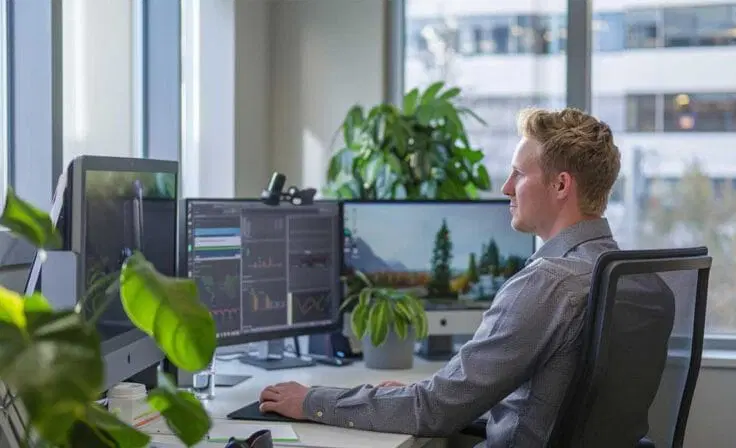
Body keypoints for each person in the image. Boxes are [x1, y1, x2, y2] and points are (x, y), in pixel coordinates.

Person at [258, 107, 667, 447]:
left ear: (561, 185)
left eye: (518, 175)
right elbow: (559, 405)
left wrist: (311, 400)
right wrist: (416, 396)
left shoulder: (549, 282)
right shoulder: (636, 277)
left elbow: (434, 409)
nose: (507, 187)